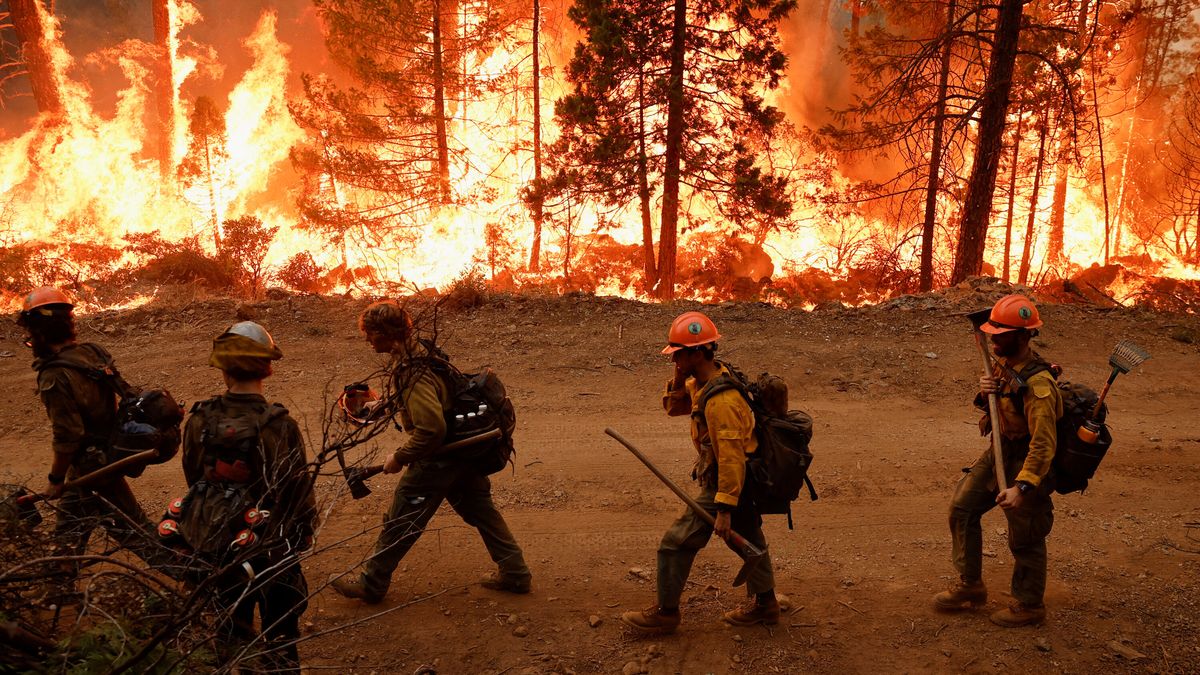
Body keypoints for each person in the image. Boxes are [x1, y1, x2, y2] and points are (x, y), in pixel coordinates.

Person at [330, 299, 532, 603]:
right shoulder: (422, 354)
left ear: (386, 334)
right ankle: (516, 574)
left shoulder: (413, 373)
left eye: (370, 333)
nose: (367, 339)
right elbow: (435, 396)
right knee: (482, 511)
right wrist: (382, 405)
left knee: (401, 519)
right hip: (464, 455)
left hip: (439, 460)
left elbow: (431, 430)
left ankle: (371, 584)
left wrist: (399, 457)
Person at [621, 311, 777, 635]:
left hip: (730, 482)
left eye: (678, 354)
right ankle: (767, 605)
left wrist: (723, 509)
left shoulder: (721, 400)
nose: (674, 358)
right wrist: (678, 378)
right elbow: (673, 407)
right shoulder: (705, 381)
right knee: (749, 542)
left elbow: (732, 459)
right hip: (736, 483)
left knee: (675, 542)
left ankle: (666, 614)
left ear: (698, 352)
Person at [182, 321, 316, 672]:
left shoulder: (199, 420)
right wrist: (303, 534)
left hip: (220, 544)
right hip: (273, 544)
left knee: (231, 629)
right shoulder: (280, 425)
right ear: (266, 368)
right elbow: (296, 488)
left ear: (224, 370)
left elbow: (194, 478)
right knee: (281, 632)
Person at [934, 294, 1063, 627]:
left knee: (1025, 534)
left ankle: (1030, 604)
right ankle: (971, 585)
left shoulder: (1038, 386)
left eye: (1000, 334)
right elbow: (1001, 409)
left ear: (1022, 337)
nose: (992, 338)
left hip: (1027, 462)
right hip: (999, 452)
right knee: (962, 508)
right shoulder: (1008, 369)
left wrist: (1023, 486)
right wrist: (986, 390)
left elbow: (1044, 443)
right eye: (991, 332)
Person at [18, 287, 162, 581]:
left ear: (40, 331)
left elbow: (68, 435)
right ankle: (59, 592)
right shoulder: (93, 352)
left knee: (137, 535)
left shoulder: (54, 374)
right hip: (104, 458)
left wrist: (55, 480)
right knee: (68, 534)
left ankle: (198, 576)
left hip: (94, 469)